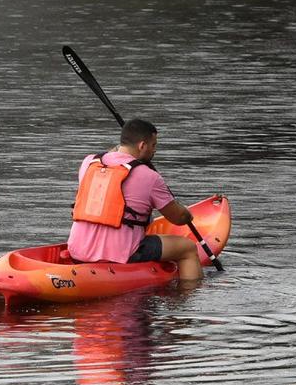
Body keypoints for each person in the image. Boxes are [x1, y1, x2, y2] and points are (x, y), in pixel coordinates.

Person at [65, 118, 208, 285]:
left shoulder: (89, 162)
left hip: (77, 249)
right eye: (153, 145)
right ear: (142, 146)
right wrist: (188, 215)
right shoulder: (150, 177)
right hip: (120, 255)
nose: (154, 151)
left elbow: (112, 156)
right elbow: (178, 217)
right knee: (188, 248)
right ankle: (189, 295)